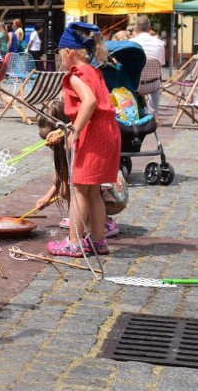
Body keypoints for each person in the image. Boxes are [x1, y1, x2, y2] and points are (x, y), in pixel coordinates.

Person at [47, 22, 121, 257]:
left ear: (68, 52)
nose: (61, 59)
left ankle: (73, 242)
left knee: (78, 189)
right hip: (108, 132)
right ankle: (98, 241)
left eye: (60, 54)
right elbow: (95, 107)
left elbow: (88, 102)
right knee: (93, 191)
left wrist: (76, 130)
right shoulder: (94, 71)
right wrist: (69, 128)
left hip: (92, 135)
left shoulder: (75, 76)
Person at [34, 101, 119, 238]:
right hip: (99, 188)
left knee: (74, 190)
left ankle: (102, 223)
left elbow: (89, 100)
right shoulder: (64, 146)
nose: (46, 142)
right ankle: (82, 220)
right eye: (42, 137)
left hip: (113, 192)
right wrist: (46, 198)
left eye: (48, 136)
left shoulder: (77, 145)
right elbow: (60, 177)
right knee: (65, 184)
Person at [131, 15, 166, 112]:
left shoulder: (131, 43)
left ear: (135, 29)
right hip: (153, 84)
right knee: (156, 83)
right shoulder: (160, 43)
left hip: (135, 85)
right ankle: (153, 113)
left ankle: (133, 112)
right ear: (150, 29)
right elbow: (161, 64)